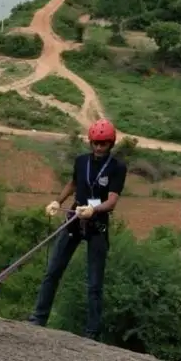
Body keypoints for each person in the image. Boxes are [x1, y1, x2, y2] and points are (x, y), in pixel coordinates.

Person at [29, 118, 126, 339]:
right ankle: (38, 317)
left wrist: (95, 210)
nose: (99, 147)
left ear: (111, 143)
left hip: (97, 223)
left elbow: (112, 201)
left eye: (104, 143)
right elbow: (73, 184)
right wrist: (57, 201)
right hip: (74, 218)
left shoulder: (117, 167)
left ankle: (91, 333)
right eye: (96, 143)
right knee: (52, 271)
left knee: (94, 283)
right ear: (90, 143)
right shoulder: (82, 161)